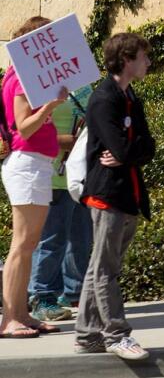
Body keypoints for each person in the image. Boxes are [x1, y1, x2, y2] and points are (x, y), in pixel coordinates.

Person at [75, 33, 155, 360]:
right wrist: (130, 150)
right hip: (107, 194)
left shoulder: (130, 97)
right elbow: (120, 147)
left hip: (128, 193)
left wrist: (130, 152)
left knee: (100, 267)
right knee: (107, 268)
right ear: (126, 60)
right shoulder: (103, 99)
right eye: (143, 56)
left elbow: (147, 146)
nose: (148, 61)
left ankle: (87, 334)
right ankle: (116, 335)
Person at [1, 16, 69, 339]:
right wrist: (50, 107)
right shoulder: (22, 81)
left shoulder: (24, 79)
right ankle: (9, 318)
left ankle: (21, 314)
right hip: (27, 164)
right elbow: (22, 127)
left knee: (28, 244)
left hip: (36, 165)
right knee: (21, 244)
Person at [28, 84, 93, 323]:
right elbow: (25, 131)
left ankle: (73, 292)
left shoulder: (83, 84)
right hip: (52, 174)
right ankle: (42, 296)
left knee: (80, 237)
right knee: (51, 240)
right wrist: (63, 141)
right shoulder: (37, 87)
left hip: (79, 176)